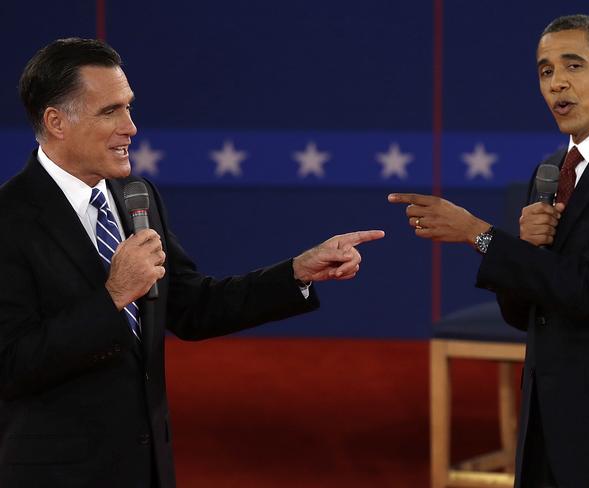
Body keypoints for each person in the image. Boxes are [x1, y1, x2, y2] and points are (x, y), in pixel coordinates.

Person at [0, 38, 384, 488]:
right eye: (110, 112)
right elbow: (11, 366)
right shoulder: (10, 220)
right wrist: (113, 297)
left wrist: (296, 272)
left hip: (148, 470)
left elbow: (192, 306)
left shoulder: (136, 198)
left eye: (129, 107)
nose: (131, 127)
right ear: (56, 122)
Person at [389, 14, 589, 488]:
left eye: (574, 65)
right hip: (544, 419)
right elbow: (523, 314)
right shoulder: (549, 172)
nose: (557, 83)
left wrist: (480, 235)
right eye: (545, 70)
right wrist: (527, 249)